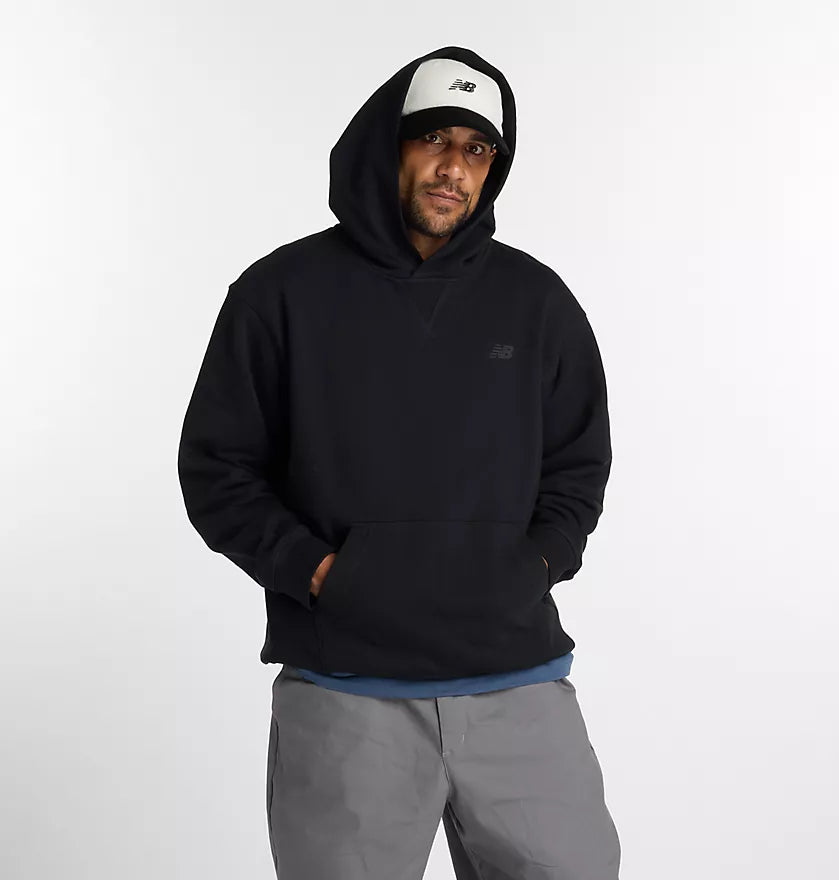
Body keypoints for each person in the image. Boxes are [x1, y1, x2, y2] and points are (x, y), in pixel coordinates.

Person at [178, 45, 621, 880]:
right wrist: (321, 574)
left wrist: (535, 565)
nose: (454, 167)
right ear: (388, 144)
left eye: (477, 149)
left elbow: (578, 464)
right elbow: (217, 468)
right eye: (434, 139)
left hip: (518, 685)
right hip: (348, 692)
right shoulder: (280, 294)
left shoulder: (537, 302)